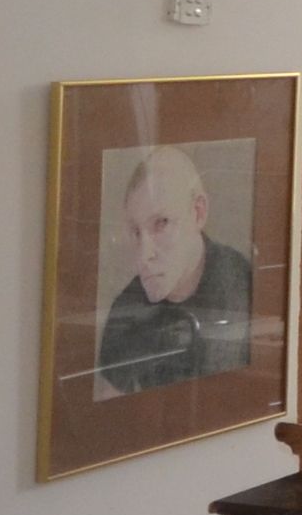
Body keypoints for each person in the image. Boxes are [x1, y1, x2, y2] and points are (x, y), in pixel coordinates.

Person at [93, 143, 256, 393]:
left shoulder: (247, 287)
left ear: (198, 213)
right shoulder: (124, 313)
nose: (144, 255)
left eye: (161, 223)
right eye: (136, 231)